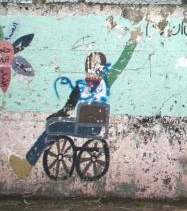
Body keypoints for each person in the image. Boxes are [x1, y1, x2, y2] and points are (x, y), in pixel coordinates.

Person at [8, 31, 138, 179]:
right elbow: (120, 64)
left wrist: (54, 117)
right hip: (96, 128)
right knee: (54, 125)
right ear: (102, 69)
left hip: (80, 126)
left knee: (52, 127)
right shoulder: (106, 83)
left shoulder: (80, 87)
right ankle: (28, 162)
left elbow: (67, 109)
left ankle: (27, 164)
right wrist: (133, 42)